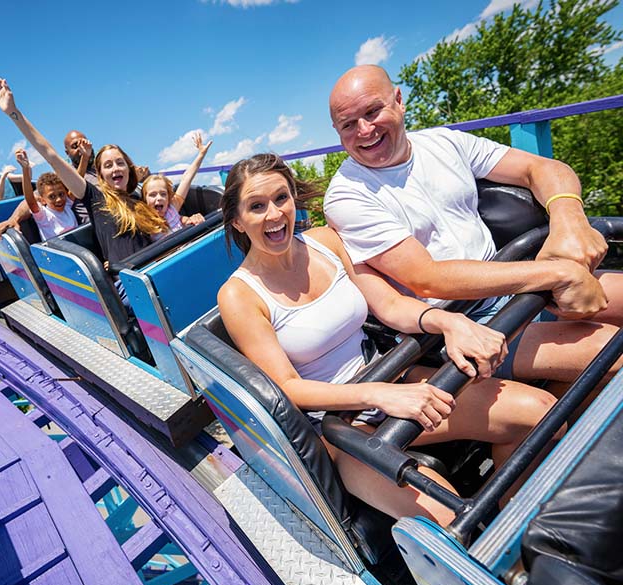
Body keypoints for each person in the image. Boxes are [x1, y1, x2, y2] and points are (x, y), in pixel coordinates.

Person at [218, 153, 562, 525]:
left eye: (281, 198)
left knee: (539, 411)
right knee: (451, 520)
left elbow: (388, 305)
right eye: (256, 206)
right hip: (341, 426)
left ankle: (524, 528)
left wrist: (445, 321)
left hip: (392, 375)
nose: (274, 214)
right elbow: (288, 387)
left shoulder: (324, 243)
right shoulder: (239, 295)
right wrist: (375, 394)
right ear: (237, 220)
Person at [324, 65, 623, 387]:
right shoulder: (347, 196)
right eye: (348, 125)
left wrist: (568, 221)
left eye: (372, 111)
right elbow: (427, 278)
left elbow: (539, 167)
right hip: (464, 319)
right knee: (611, 353)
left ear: (398, 100)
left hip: (516, 277)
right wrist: (558, 274)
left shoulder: (443, 143)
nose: (365, 130)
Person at [0, 74, 165, 265]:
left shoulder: (137, 198)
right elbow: (50, 155)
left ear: (128, 168)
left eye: (120, 163)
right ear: (102, 174)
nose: (115, 169)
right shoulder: (95, 196)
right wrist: (15, 113)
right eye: (108, 165)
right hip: (131, 277)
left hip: (157, 265)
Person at [142, 132, 211, 239]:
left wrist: (201, 154)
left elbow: (186, 179)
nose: (159, 198)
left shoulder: (172, 208)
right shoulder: (145, 222)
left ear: (169, 197)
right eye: (153, 195)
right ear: (145, 199)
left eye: (163, 194)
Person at [15, 148, 76, 239]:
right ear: (43, 200)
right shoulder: (43, 215)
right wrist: (25, 168)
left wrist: (85, 158)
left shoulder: (67, 204)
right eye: (52, 196)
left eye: (61, 194)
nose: (58, 199)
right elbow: (30, 200)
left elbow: (78, 183)